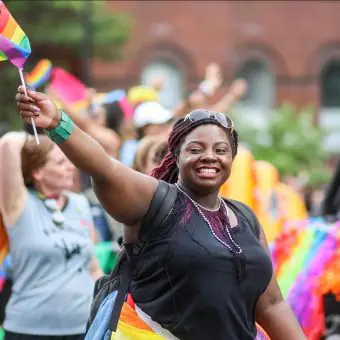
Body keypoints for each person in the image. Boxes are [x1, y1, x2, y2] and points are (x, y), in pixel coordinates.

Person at [15, 87, 306, 339]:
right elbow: (104, 168)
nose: (210, 156)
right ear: (176, 156)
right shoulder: (158, 201)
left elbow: (271, 304)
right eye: (196, 148)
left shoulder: (245, 218)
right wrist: (57, 122)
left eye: (221, 150)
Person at [0, 131, 103, 340]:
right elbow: (8, 144)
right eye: (60, 162)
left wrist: (107, 301)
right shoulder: (18, 204)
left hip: (82, 328)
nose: (71, 167)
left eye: (69, 161)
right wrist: (37, 133)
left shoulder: (81, 204)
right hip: (29, 330)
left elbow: (91, 265)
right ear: (37, 171)